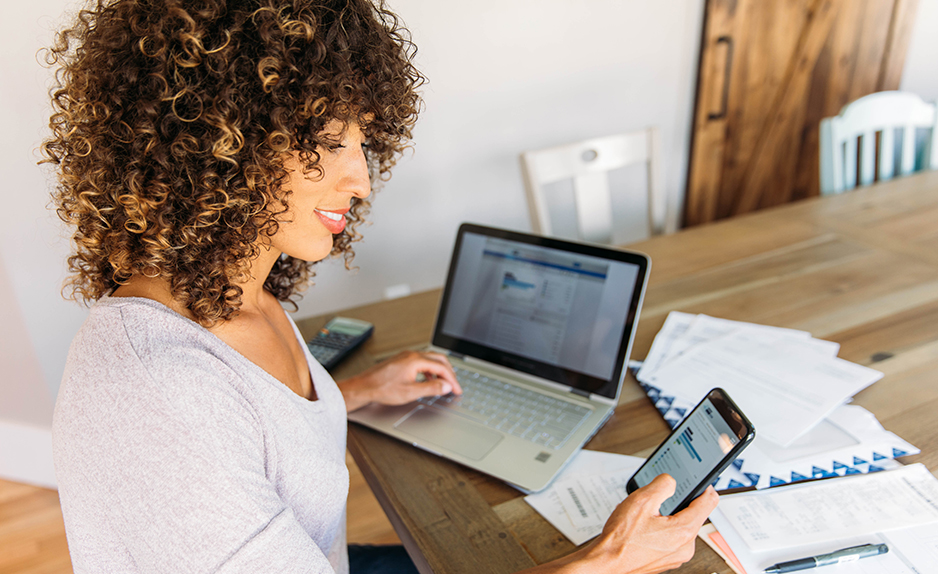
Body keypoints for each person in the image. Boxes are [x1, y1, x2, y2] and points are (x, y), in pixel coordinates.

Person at [43, 1, 719, 573]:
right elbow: (206, 431)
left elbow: (254, 431)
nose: (362, 180)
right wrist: (611, 560)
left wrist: (354, 394)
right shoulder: (159, 395)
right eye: (332, 141)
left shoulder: (235, 296)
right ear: (223, 141)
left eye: (363, 143)